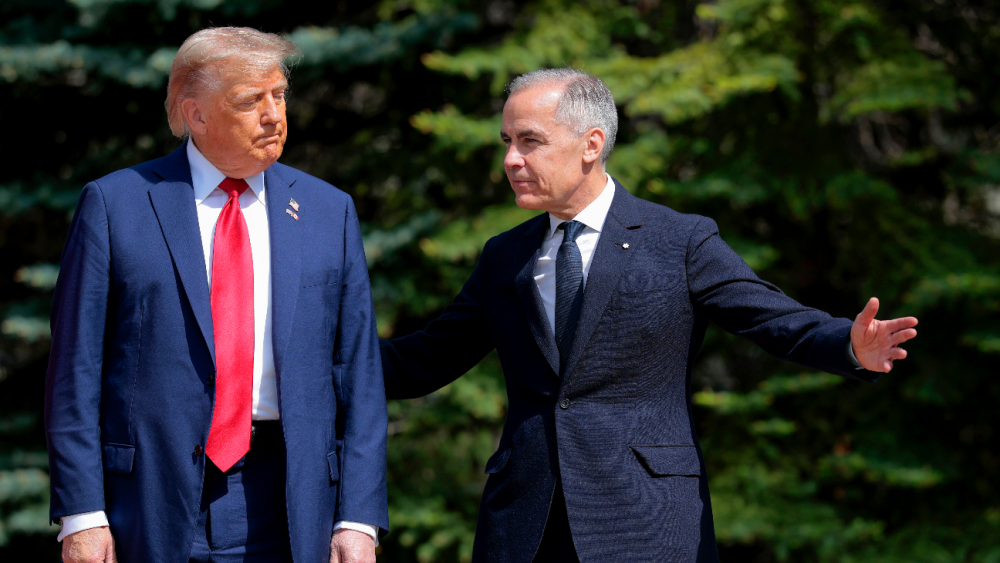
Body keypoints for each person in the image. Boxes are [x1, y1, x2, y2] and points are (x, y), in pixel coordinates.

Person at [380, 68, 918, 563]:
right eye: (508, 142)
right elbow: (426, 359)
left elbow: (772, 318)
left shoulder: (680, 240)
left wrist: (849, 344)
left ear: (591, 144)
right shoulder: (505, 256)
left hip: (647, 522)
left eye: (530, 142)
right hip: (523, 525)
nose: (511, 160)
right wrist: (314, 355)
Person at [45, 27, 386, 563]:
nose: (273, 115)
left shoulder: (328, 210)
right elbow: (74, 370)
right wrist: (82, 514)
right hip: (150, 497)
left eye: (279, 95)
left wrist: (358, 516)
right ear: (196, 114)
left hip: (289, 496)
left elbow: (358, 373)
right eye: (251, 101)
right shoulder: (117, 205)